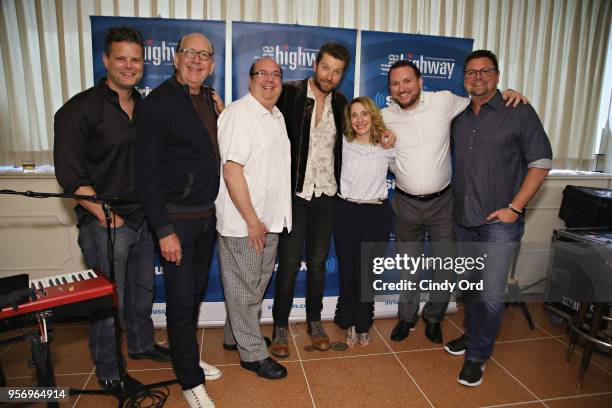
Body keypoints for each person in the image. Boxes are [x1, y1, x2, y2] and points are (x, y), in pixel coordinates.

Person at [53, 26, 169, 393]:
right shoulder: (78, 109)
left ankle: (142, 344)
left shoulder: (146, 107)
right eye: (121, 58)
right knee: (108, 302)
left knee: (141, 291)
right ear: (106, 60)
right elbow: (71, 175)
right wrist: (107, 216)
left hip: (142, 217)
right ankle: (109, 371)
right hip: (104, 222)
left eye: (136, 60)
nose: (129, 65)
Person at [382, 60, 526, 345]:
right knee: (409, 266)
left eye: (408, 81)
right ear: (390, 89)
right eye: (396, 83)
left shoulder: (444, 101)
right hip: (406, 203)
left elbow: (481, 96)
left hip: (443, 203)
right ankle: (407, 317)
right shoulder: (384, 117)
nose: (402, 88)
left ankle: (434, 317)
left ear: (420, 82)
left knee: (445, 265)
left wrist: (511, 93)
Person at [271, 43, 396, 357]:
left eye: (337, 71)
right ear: (315, 65)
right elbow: (259, 112)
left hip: (328, 197)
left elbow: (364, 131)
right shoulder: (290, 93)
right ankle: (280, 327)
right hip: (295, 195)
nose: (330, 75)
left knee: (316, 264)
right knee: (287, 265)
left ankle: (315, 322)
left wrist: (386, 136)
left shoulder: (342, 104)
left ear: (343, 74)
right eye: (325, 67)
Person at [445, 49, 552, 387]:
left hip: (499, 226)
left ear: (497, 75)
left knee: (491, 296)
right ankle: (474, 338)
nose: (478, 77)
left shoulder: (518, 111)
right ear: (464, 78)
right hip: (464, 221)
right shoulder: (459, 118)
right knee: (472, 290)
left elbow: (541, 163)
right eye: (471, 72)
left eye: (485, 71)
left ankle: (477, 357)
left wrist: (516, 208)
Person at [133, 32, 224, 407]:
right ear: (175, 58)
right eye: (190, 52)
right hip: (177, 223)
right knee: (181, 301)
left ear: (213, 64)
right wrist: (164, 230)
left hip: (206, 220)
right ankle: (189, 379)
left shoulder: (207, 99)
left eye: (204, 55)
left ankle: (185, 354)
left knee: (195, 296)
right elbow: (145, 174)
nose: (197, 60)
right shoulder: (158, 103)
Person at [216, 57, 292, 379]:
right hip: (247, 223)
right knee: (247, 289)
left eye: (276, 75)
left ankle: (236, 335)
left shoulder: (275, 115)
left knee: (252, 286)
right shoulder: (238, 114)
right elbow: (232, 170)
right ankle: (252, 355)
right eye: (263, 74)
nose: (270, 80)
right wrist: (251, 220)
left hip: (268, 220)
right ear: (250, 80)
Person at [334, 96, 394, 347]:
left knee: (366, 273)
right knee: (348, 271)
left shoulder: (387, 145)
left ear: (373, 116)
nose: (359, 119)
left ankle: (363, 324)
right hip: (346, 211)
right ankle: (347, 321)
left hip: (376, 215)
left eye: (364, 114)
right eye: (354, 115)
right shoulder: (342, 144)